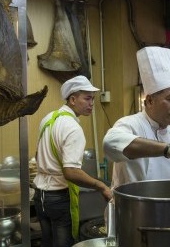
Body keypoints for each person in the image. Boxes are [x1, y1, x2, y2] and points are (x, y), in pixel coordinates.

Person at [103, 46, 170, 190]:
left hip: (162, 205)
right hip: (131, 207)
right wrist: (169, 150)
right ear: (149, 101)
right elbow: (110, 143)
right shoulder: (131, 123)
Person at [33, 75, 112, 247]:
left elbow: (38, 156)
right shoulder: (73, 127)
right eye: (87, 98)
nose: (91, 103)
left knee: (47, 242)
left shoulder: (48, 119)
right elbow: (71, 172)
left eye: (93, 99)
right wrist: (101, 186)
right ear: (73, 99)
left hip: (40, 195)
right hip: (58, 197)